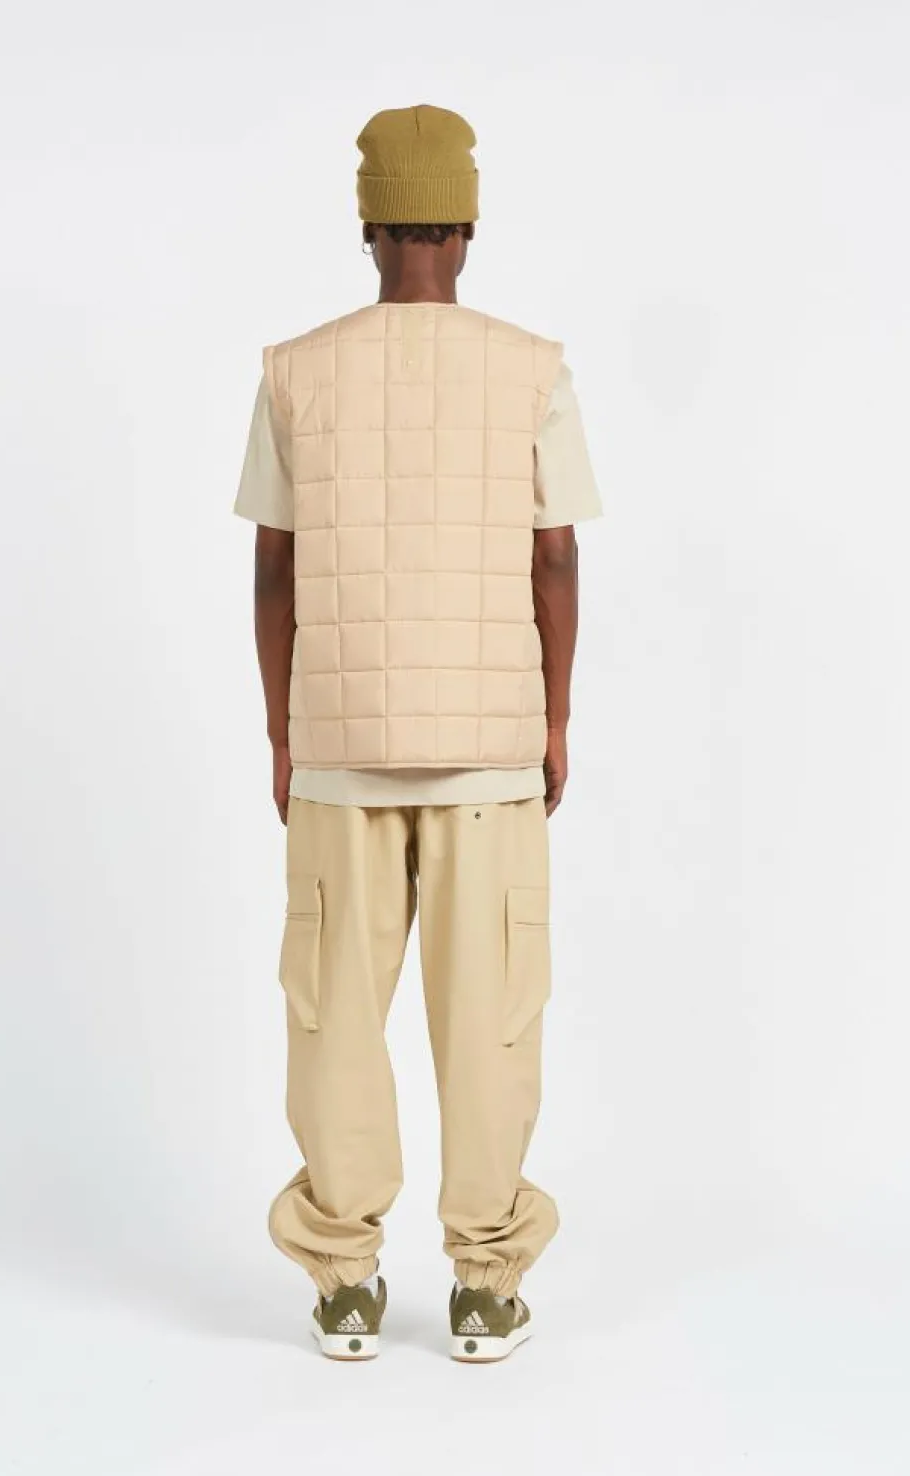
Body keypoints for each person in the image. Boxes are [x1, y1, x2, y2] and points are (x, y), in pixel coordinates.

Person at [234, 104, 602, 1363]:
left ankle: (344, 1284)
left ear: (369, 225)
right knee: (492, 1020)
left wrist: (282, 731)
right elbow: (555, 557)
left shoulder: (295, 370)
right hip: (492, 753)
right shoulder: (532, 367)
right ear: (467, 224)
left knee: (334, 1019)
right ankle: (486, 1287)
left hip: (338, 752)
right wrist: (556, 719)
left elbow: (273, 569)